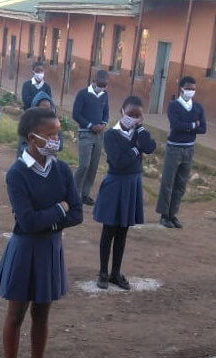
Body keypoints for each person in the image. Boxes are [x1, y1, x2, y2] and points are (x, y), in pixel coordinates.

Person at [0, 107, 83, 358]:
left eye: (57, 134)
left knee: (42, 313)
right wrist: (59, 210)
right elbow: (27, 222)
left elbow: (78, 213)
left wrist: (51, 217)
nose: (56, 140)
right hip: (25, 250)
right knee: (17, 312)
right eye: (51, 135)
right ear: (32, 138)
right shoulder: (17, 173)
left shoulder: (61, 169)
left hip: (49, 248)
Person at [93, 96, 156, 290]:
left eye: (138, 116)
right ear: (122, 111)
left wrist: (141, 129)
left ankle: (115, 272)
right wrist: (137, 148)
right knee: (109, 230)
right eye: (130, 114)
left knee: (123, 231)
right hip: (115, 184)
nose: (133, 118)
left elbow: (151, 147)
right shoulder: (111, 134)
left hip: (132, 184)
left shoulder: (139, 132)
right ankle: (103, 272)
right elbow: (119, 162)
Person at [155, 76, 207, 228]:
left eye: (193, 89)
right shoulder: (173, 105)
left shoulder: (198, 107)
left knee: (181, 183)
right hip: (174, 147)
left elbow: (203, 128)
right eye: (188, 88)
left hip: (189, 148)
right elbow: (176, 125)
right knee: (168, 182)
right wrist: (193, 125)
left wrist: (190, 126)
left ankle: (173, 214)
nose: (191, 91)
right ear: (181, 88)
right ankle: (164, 214)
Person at [72, 69, 109, 206]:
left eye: (105, 85)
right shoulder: (83, 94)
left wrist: (103, 124)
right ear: (94, 81)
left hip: (99, 135)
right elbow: (76, 114)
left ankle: (85, 194)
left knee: (93, 166)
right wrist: (90, 125)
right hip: (86, 133)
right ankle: (74, 193)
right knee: (84, 164)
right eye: (100, 85)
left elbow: (106, 113)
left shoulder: (105, 95)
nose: (103, 88)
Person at [16, 91, 64, 159]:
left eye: (48, 109)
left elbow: (60, 146)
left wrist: (52, 146)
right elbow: (22, 146)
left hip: (49, 161)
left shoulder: (54, 126)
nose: (45, 112)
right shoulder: (27, 125)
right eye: (42, 109)